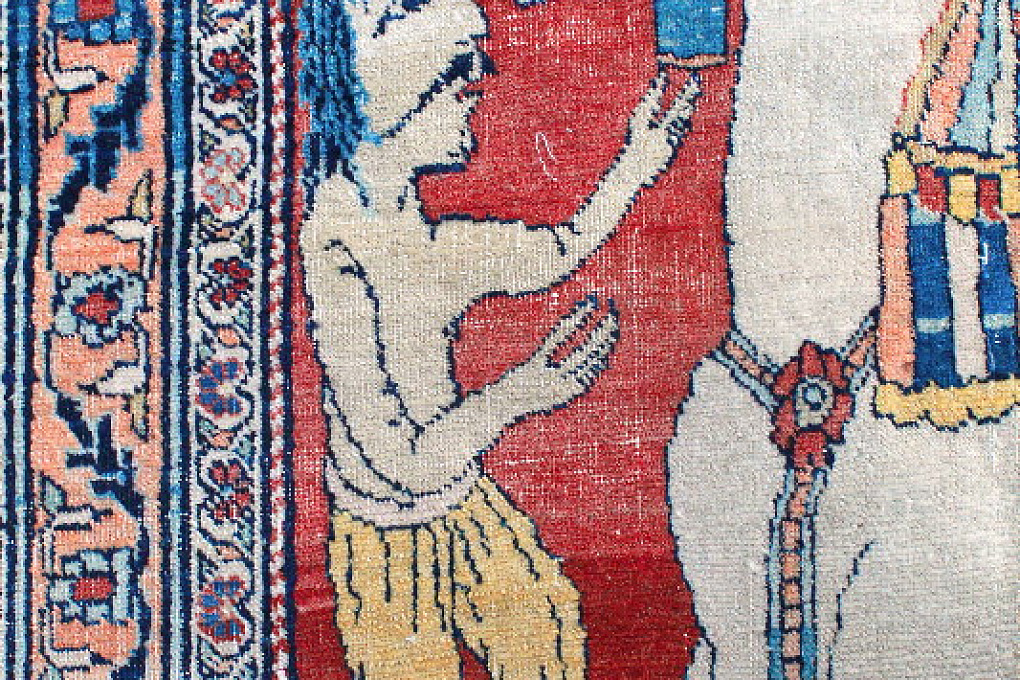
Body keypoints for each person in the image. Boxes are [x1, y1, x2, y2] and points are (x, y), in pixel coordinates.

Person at [297, 0, 700, 676]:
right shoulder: (338, 243)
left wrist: (635, 165)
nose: (479, 88)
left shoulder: (415, 233)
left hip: (461, 504)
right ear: (396, 99)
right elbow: (402, 462)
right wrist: (522, 391)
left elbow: (555, 251)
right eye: (458, 82)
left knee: (547, 630)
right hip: (384, 542)